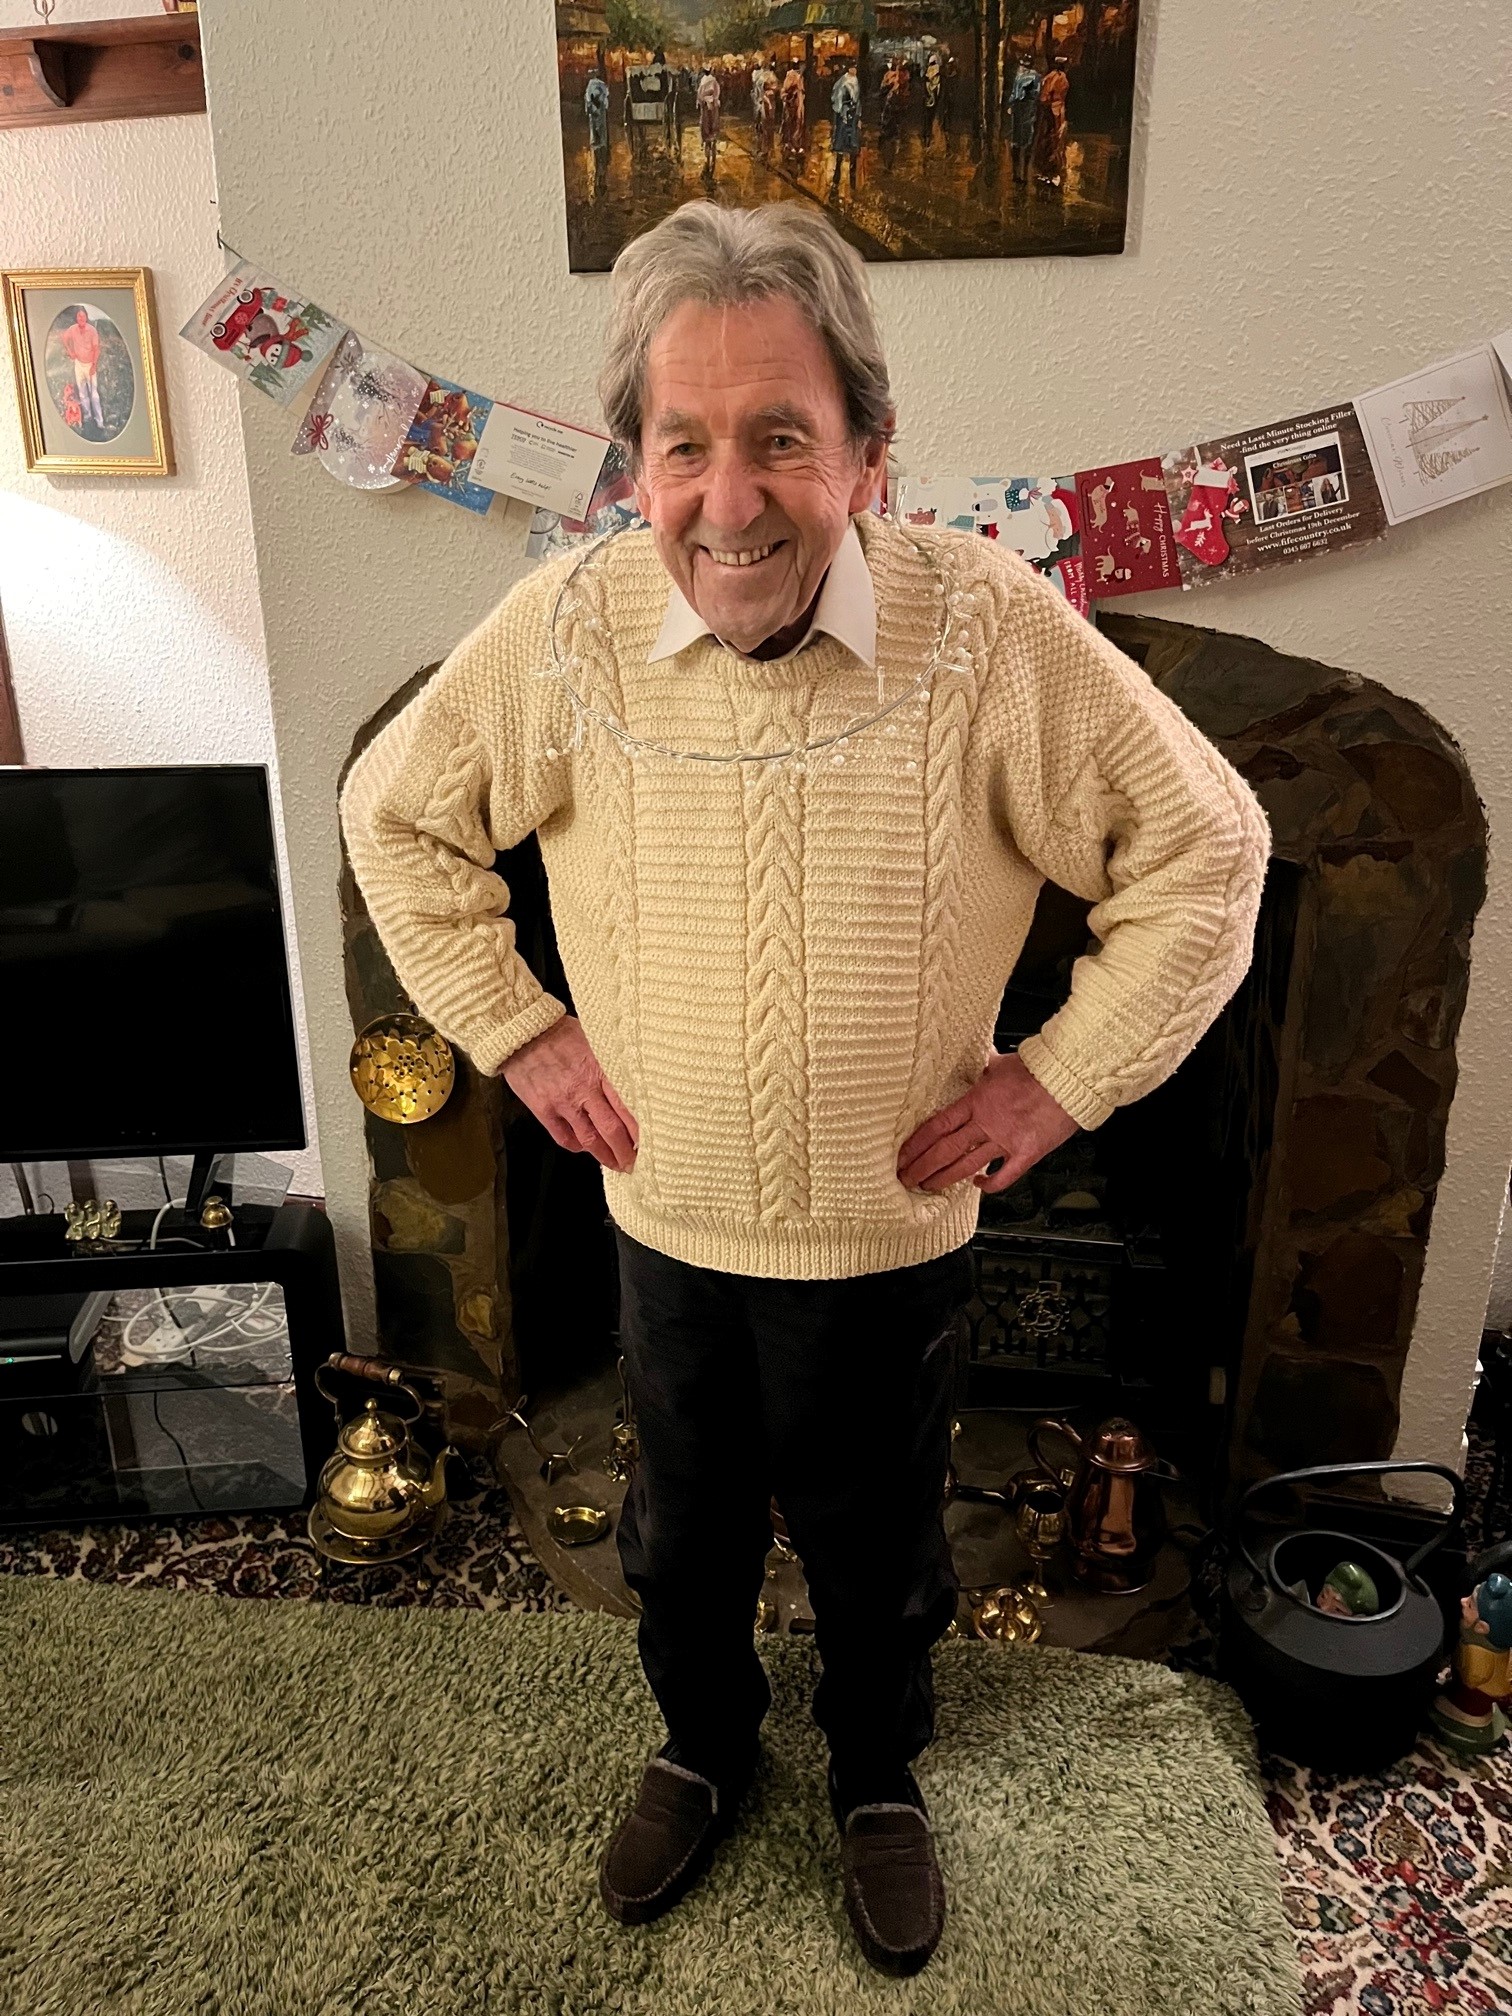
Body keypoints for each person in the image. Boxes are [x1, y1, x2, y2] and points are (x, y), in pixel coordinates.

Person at [339, 201, 1270, 1978]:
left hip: (893, 1227)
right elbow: (396, 813)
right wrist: (519, 1030)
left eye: (781, 437)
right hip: (667, 1217)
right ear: (634, 464)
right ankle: (700, 1739)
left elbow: (1210, 853)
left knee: (875, 1532)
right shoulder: (567, 629)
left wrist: (1057, 1082)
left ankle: (873, 1774)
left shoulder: (987, 631)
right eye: (683, 445)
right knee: (680, 1521)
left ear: (867, 455)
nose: (730, 497)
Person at [57, 307, 104, 430]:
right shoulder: (73, 329)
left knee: (94, 394)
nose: (81, 318)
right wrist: (70, 350)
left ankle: (99, 422)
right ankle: (88, 417)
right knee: (83, 394)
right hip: (78, 364)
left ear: (86, 317)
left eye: (83, 316)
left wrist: (94, 365)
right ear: (76, 318)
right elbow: (64, 337)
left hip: (90, 365)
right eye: (79, 316)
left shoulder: (92, 330)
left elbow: (96, 348)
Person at [1032, 53, 1069, 186]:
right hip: (1056, 110)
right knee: (1055, 137)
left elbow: (1042, 93)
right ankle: (1052, 168)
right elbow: (1057, 93)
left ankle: (1045, 167)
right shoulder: (1061, 77)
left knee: (1046, 136)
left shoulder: (1049, 76)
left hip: (1047, 108)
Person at [829, 57, 861, 198]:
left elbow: (858, 99)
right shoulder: (843, 81)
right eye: (852, 67)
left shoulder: (855, 80)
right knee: (842, 136)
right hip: (845, 113)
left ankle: (852, 169)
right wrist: (842, 109)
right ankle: (838, 171)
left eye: (855, 68)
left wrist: (858, 113)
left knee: (852, 137)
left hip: (853, 113)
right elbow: (837, 97)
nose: (854, 70)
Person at [1007, 53, 1040, 183]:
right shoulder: (1032, 76)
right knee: (1022, 139)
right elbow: (1035, 93)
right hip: (1025, 108)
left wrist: (1012, 103)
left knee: (1020, 138)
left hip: (1023, 108)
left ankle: (1020, 172)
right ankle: (1021, 172)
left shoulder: (1025, 76)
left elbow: (1018, 94)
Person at [584, 68, 611, 199]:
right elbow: (605, 99)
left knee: (595, 127)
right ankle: (601, 143)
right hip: (599, 109)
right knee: (600, 127)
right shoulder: (601, 85)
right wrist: (602, 105)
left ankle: (596, 142)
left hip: (595, 109)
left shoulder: (591, 85)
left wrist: (589, 107)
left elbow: (588, 99)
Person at [780, 59, 806, 166]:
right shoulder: (790, 75)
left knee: (798, 122)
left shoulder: (800, 76)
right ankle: (791, 144)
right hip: (792, 104)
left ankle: (796, 144)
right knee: (792, 122)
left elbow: (802, 90)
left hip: (798, 102)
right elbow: (785, 89)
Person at [697, 64, 720, 181]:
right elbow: (716, 93)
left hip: (706, 106)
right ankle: (712, 138)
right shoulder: (714, 80)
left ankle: (707, 141)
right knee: (713, 122)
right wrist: (714, 100)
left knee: (705, 122)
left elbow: (700, 95)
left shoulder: (703, 81)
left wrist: (702, 102)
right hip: (712, 106)